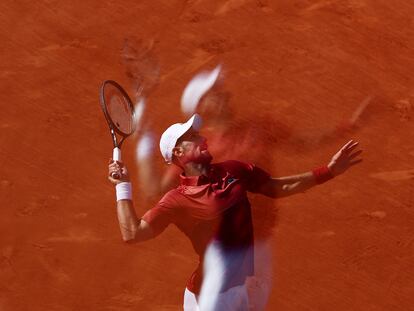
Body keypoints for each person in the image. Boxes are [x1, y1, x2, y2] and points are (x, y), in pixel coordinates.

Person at [107, 114, 362, 310]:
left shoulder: (234, 170)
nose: (203, 138)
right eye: (192, 137)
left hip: (237, 287)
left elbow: (277, 186)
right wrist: (123, 186)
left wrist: (328, 171)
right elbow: (133, 232)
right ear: (178, 153)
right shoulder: (178, 200)